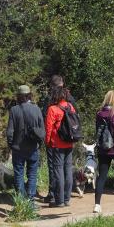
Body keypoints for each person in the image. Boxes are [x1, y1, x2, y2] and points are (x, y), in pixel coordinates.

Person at [6, 85, 45, 205]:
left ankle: (22, 201)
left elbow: (10, 131)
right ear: (29, 95)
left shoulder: (14, 110)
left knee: (19, 174)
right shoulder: (36, 109)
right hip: (33, 147)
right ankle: (31, 200)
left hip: (18, 148)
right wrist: (39, 143)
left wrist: (11, 144)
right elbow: (42, 130)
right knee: (32, 174)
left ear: (18, 96)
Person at [42, 75, 77, 203]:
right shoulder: (70, 104)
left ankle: (57, 198)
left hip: (56, 142)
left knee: (56, 170)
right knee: (67, 169)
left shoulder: (52, 106)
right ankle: (67, 198)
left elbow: (48, 126)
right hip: (69, 141)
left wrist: (47, 141)